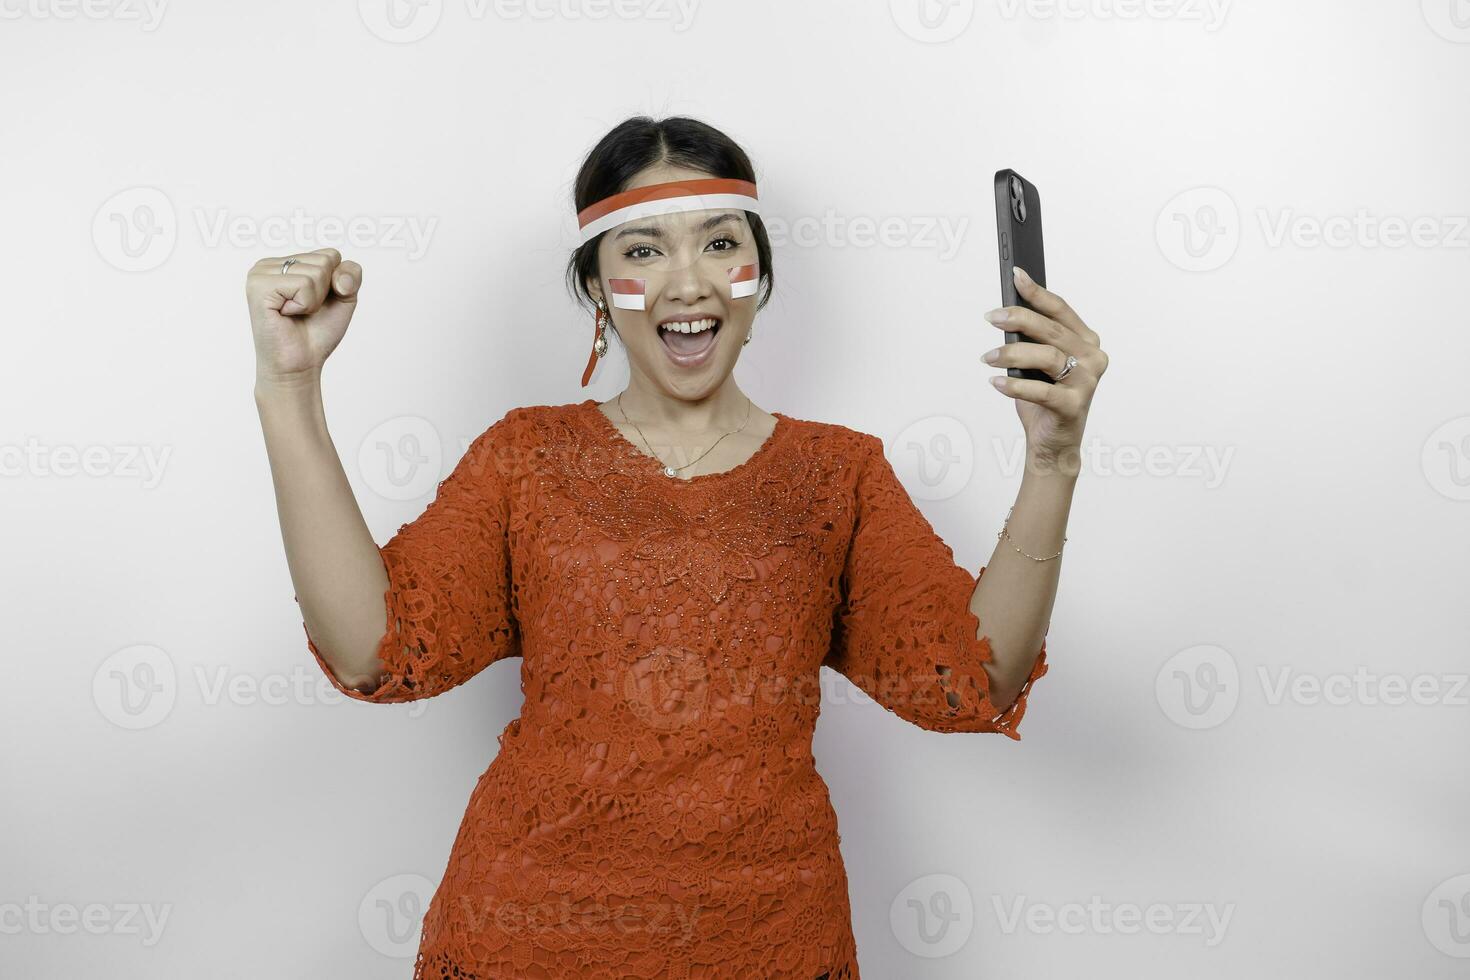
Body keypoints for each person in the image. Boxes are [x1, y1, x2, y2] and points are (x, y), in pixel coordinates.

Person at [248, 115, 1106, 978]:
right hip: (529, 940)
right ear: (595, 284)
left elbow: (971, 680)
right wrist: (290, 388)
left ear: (759, 275)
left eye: (719, 242)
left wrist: (1052, 457)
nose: (686, 282)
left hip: (774, 940)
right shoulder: (525, 458)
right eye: (644, 250)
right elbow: (376, 650)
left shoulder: (839, 475)